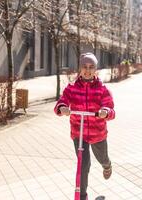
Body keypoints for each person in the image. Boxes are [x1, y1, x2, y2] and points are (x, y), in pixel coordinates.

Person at [54, 52, 115, 200]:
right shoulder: (72, 88)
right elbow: (60, 103)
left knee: (102, 157)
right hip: (78, 133)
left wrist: (104, 112)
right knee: (83, 165)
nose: (87, 70)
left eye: (91, 67)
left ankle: (107, 165)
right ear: (79, 69)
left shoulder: (102, 89)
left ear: (96, 69)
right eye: (84, 67)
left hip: (97, 133)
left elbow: (111, 110)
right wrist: (62, 108)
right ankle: (81, 197)